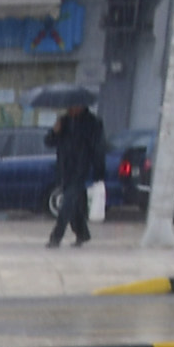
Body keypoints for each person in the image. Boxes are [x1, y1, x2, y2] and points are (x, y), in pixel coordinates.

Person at [46, 97, 108, 248]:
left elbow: (98, 148)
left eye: (73, 106)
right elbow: (49, 142)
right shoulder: (64, 121)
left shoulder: (93, 123)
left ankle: (56, 237)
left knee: (67, 202)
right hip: (64, 167)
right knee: (74, 205)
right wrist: (54, 131)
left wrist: (99, 171)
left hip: (81, 168)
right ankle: (82, 234)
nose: (70, 109)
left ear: (81, 106)